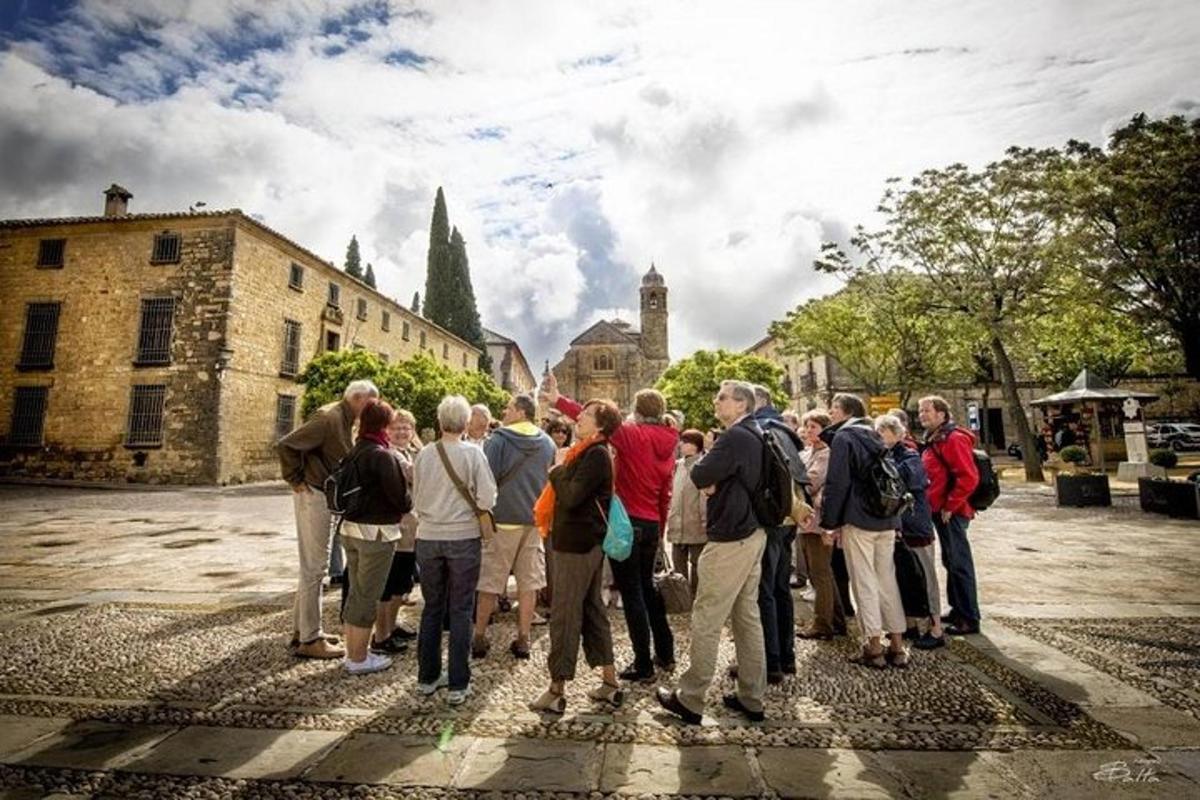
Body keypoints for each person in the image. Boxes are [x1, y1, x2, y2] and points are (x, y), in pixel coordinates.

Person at [541, 374, 678, 682]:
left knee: (632, 594)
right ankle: (666, 653)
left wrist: (559, 401)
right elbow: (666, 490)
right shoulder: (670, 442)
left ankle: (643, 663)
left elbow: (597, 418)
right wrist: (661, 530)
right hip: (652, 523)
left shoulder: (633, 434)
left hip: (626, 523)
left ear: (638, 412)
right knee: (648, 588)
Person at [656, 380, 768, 725]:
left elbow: (699, 472)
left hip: (731, 538)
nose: (715, 402)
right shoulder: (758, 433)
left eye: (721, 398)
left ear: (740, 405)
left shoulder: (734, 436)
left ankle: (690, 698)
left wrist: (710, 475)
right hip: (752, 533)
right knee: (747, 617)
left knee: (706, 617)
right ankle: (752, 696)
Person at [528, 399, 625, 714]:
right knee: (592, 609)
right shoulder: (588, 450)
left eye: (585, 414)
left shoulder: (595, 454)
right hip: (584, 542)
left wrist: (556, 473)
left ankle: (556, 689)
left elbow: (571, 497)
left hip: (577, 544)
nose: (578, 416)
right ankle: (610, 683)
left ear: (599, 425)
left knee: (565, 614)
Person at [277, 379, 379, 659]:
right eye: (371, 402)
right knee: (316, 569)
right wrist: (295, 479)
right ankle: (310, 639)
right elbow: (286, 445)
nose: (373, 408)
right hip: (314, 495)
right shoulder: (329, 417)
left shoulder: (342, 418)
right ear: (358, 398)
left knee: (310, 567)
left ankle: (303, 631)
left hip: (320, 494)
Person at [411, 395, 497, 705]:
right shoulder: (473, 454)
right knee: (460, 609)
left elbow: (416, 497)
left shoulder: (424, 455)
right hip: (463, 538)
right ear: (464, 423)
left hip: (429, 536)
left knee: (432, 607)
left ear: (439, 421)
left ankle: (427, 678)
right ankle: (459, 683)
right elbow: (487, 498)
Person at [819, 393, 908, 669]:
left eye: (833, 409)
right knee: (887, 580)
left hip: (859, 518)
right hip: (886, 518)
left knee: (864, 582)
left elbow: (837, 483)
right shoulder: (874, 434)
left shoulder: (845, 437)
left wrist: (829, 523)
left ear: (845, 411)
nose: (831, 414)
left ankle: (873, 646)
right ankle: (897, 644)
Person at [473, 394, 556, 660]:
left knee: (490, 581)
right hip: (533, 520)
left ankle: (479, 636)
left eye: (509, 408)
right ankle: (523, 639)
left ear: (521, 411)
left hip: (502, 518)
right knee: (528, 582)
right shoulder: (548, 442)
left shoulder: (498, 440)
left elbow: (487, 480)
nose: (505, 412)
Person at [337, 399, 412, 674]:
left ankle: (352, 652)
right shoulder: (383, 456)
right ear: (383, 425)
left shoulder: (355, 450)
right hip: (376, 534)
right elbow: (402, 502)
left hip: (350, 529)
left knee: (356, 593)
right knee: (367, 596)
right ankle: (358, 658)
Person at [749, 385, 807, 683]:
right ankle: (787, 656)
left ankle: (770, 661)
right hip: (789, 517)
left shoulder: (761, 429)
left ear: (757, 402)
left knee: (765, 591)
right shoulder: (784, 429)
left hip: (771, 519)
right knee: (781, 589)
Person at [876, 414, 945, 650]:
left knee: (926, 577)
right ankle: (911, 623)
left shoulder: (909, 455)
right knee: (904, 576)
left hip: (916, 525)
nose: (881, 436)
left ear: (897, 434)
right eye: (879, 432)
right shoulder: (888, 456)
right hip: (900, 526)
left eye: (885, 431)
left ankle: (936, 628)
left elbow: (912, 481)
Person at [918, 395, 982, 636]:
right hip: (940, 510)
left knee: (959, 562)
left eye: (927, 410)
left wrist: (950, 505)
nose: (922, 414)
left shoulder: (953, 439)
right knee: (951, 561)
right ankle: (958, 608)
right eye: (920, 411)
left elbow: (968, 477)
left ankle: (969, 616)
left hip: (952, 512)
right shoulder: (936, 438)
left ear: (942, 414)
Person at [795, 409, 846, 640]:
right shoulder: (807, 453)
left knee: (821, 572)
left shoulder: (826, 454)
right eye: (806, 426)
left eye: (813, 427)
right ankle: (836, 619)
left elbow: (809, 482)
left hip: (819, 522)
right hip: (805, 521)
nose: (808, 431)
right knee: (819, 573)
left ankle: (823, 623)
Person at [375, 409, 422, 648]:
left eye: (406, 427)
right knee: (390, 583)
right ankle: (381, 635)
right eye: (397, 428)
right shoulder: (390, 454)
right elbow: (414, 475)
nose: (402, 432)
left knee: (401, 584)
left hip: (410, 530)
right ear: (387, 431)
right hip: (396, 528)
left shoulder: (409, 452)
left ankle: (391, 626)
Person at [666, 429, 707, 596]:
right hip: (677, 522)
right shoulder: (678, 466)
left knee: (698, 563)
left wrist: (705, 522)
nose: (681, 444)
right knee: (678, 563)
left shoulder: (703, 465)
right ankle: (682, 597)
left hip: (696, 523)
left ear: (695, 446)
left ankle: (697, 595)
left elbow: (704, 497)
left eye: (685, 441)